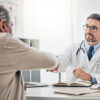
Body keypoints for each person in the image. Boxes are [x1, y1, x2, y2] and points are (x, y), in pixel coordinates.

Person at [0, 5, 58, 100]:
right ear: (3, 25)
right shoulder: (5, 41)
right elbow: (51, 61)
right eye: (11, 25)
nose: (12, 33)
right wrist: (56, 58)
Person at [47, 13, 100, 85]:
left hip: (96, 95)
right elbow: (63, 59)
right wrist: (56, 63)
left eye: (93, 28)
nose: (88, 31)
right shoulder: (73, 48)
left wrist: (90, 77)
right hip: (74, 93)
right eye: (87, 26)